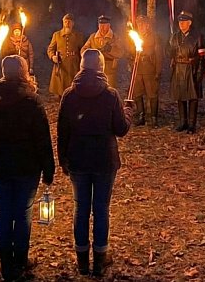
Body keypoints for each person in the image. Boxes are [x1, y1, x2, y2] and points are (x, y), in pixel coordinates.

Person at [0, 55, 55, 281]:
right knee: (21, 214)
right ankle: (17, 261)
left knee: (6, 213)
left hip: (2, 167)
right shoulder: (29, 101)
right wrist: (48, 169)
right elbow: (43, 139)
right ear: (23, 72)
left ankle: (10, 263)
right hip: (25, 168)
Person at [57, 49, 133, 277]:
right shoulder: (110, 95)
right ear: (100, 67)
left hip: (79, 161)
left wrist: (63, 161)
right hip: (103, 161)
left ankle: (84, 261)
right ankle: (98, 259)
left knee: (81, 209)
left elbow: (62, 132)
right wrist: (128, 111)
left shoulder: (70, 95)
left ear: (81, 66)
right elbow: (121, 129)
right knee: (101, 209)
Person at [169, 11, 205, 133]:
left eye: (184, 22)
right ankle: (182, 122)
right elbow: (170, 52)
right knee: (180, 96)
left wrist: (199, 74)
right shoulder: (175, 36)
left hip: (191, 70)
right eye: (180, 21)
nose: (181, 24)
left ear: (190, 23)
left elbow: (201, 57)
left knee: (192, 97)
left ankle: (191, 124)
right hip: (179, 69)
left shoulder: (197, 36)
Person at [129, 15, 162, 127]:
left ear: (148, 26)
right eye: (139, 24)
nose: (141, 26)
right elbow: (130, 53)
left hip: (149, 69)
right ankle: (141, 116)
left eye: (143, 24)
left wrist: (158, 71)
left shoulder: (154, 37)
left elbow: (159, 55)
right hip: (138, 69)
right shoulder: (135, 37)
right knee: (137, 94)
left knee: (152, 94)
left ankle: (153, 118)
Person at [47, 13, 85, 99]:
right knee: (61, 87)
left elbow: (83, 50)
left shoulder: (79, 35)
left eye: (69, 22)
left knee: (73, 86)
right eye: (65, 21)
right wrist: (53, 57)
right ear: (63, 23)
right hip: (61, 65)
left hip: (74, 65)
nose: (67, 23)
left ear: (73, 23)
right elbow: (50, 49)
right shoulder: (56, 35)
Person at [82, 16, 124, 88]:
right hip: (95, 69)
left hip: (109, 69)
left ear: (109, 26)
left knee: (109, 89)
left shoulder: (115, 37)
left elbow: (121, 53)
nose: (102, 28)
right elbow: (83, 50)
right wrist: (90, 56)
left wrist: (110, 49)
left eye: (104, 26)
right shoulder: (93, 37)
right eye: (100, 26)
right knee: (95, 89)